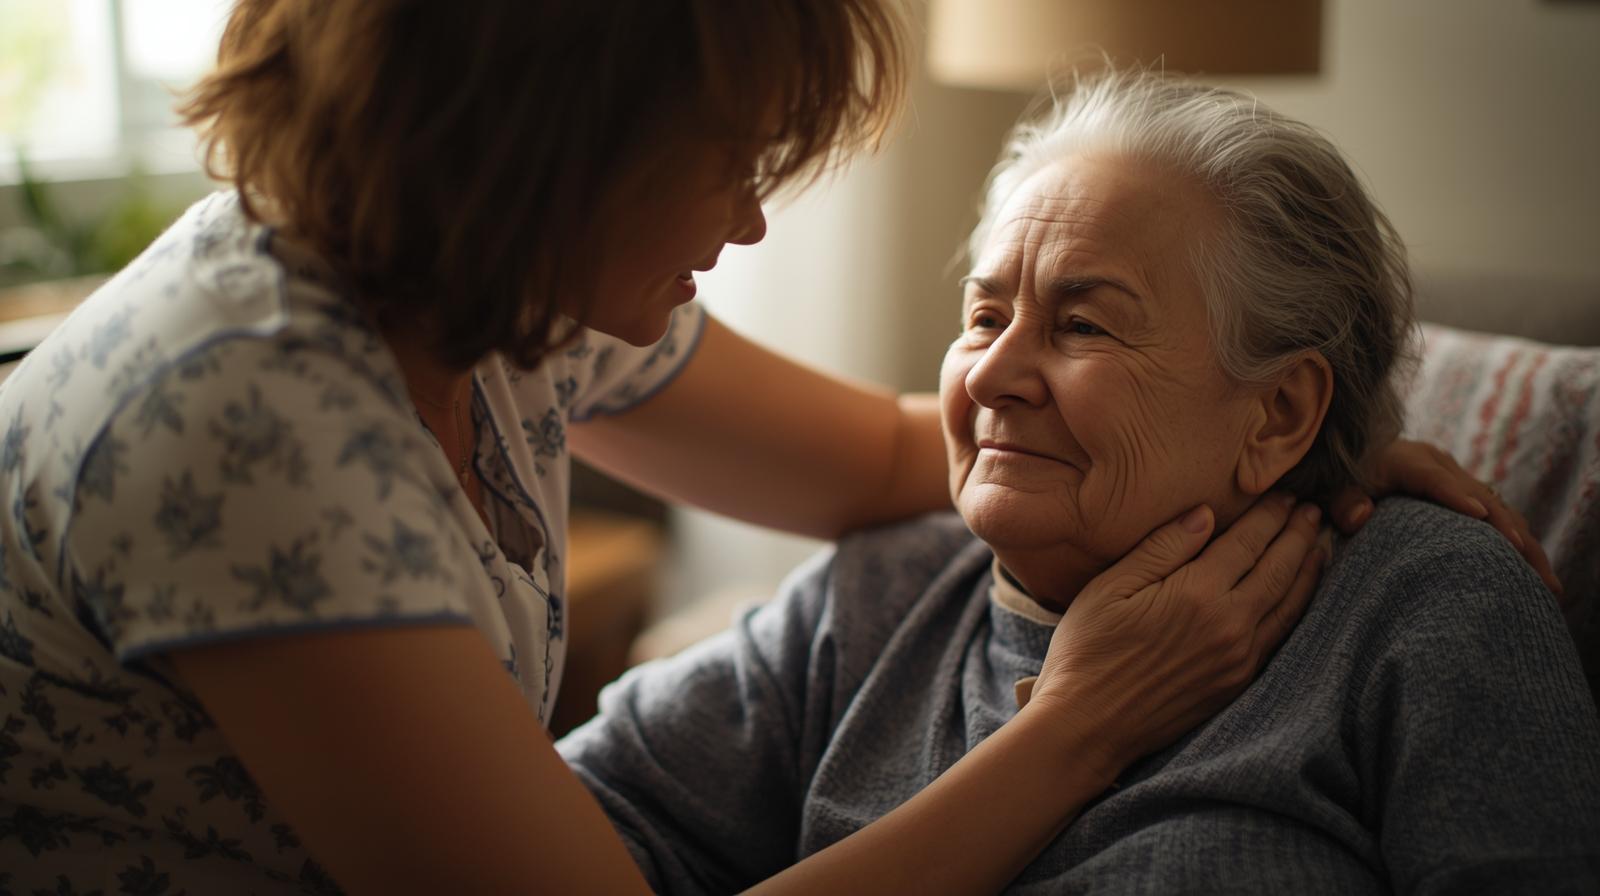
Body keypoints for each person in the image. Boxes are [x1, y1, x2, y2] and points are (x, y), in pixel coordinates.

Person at [0, 3, 1552, 893]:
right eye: (727, 163)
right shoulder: (251, 422)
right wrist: (1077, 722)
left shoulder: (523, 298)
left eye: (1080, 319)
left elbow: (895, 455)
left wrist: (1327, 457)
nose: (749, 219)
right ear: (558, 157)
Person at [557, 69, 1600, 894]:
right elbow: (561, 837)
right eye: (981, 316)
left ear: (1279, 411)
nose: (994, 373)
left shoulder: (1427, 603)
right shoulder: (869, 598)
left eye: (1082, 324)